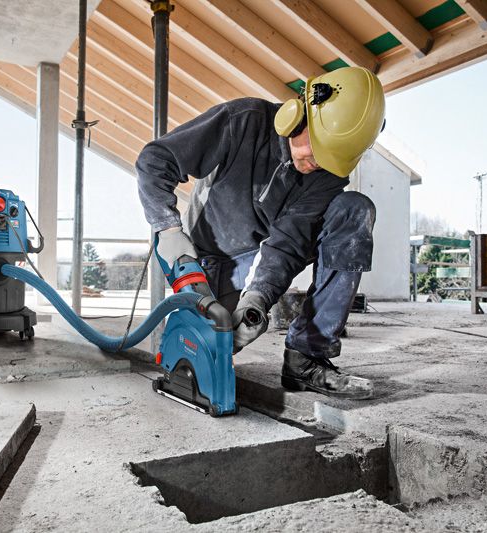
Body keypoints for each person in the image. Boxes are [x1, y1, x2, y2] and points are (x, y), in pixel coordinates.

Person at [136, 67, 385, 399]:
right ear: (297, 117)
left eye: (330, 160)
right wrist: (167, 229)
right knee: (200, 350)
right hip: (207, 260)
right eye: (316, 150)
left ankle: (306, 359)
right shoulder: (245, 121)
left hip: (262, 258)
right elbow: (156, 160)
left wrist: (257, 299)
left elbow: (288, 242)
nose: (318, 164)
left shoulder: (327, 175)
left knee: (354, 209)